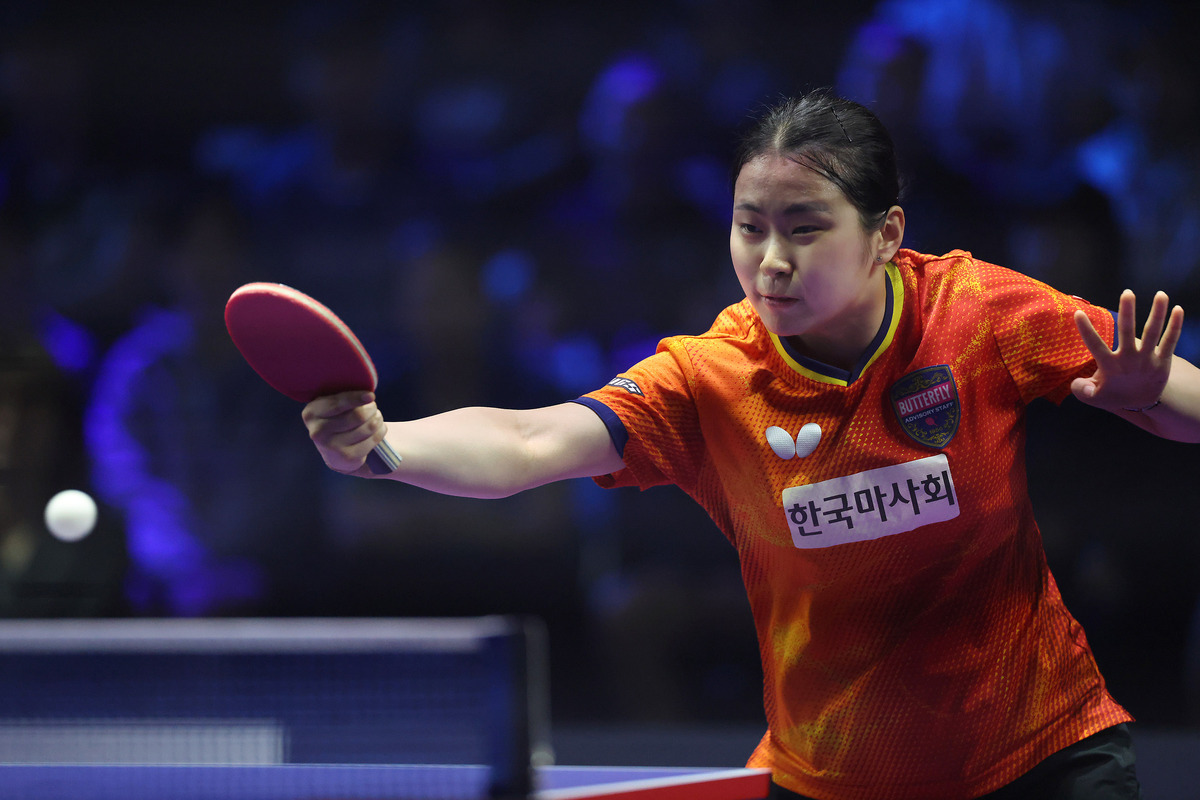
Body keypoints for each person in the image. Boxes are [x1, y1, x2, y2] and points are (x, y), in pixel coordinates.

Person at [302, 91, 1200, 799]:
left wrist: (1146, 401)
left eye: (805, 228)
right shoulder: (714, 376)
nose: (772, 260)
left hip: (1041, 757)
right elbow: (532, 440)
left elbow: (1187, 402)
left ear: (886, 234)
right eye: (749, 225)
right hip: (833, 779)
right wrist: (385, 445)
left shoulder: (975, 311)